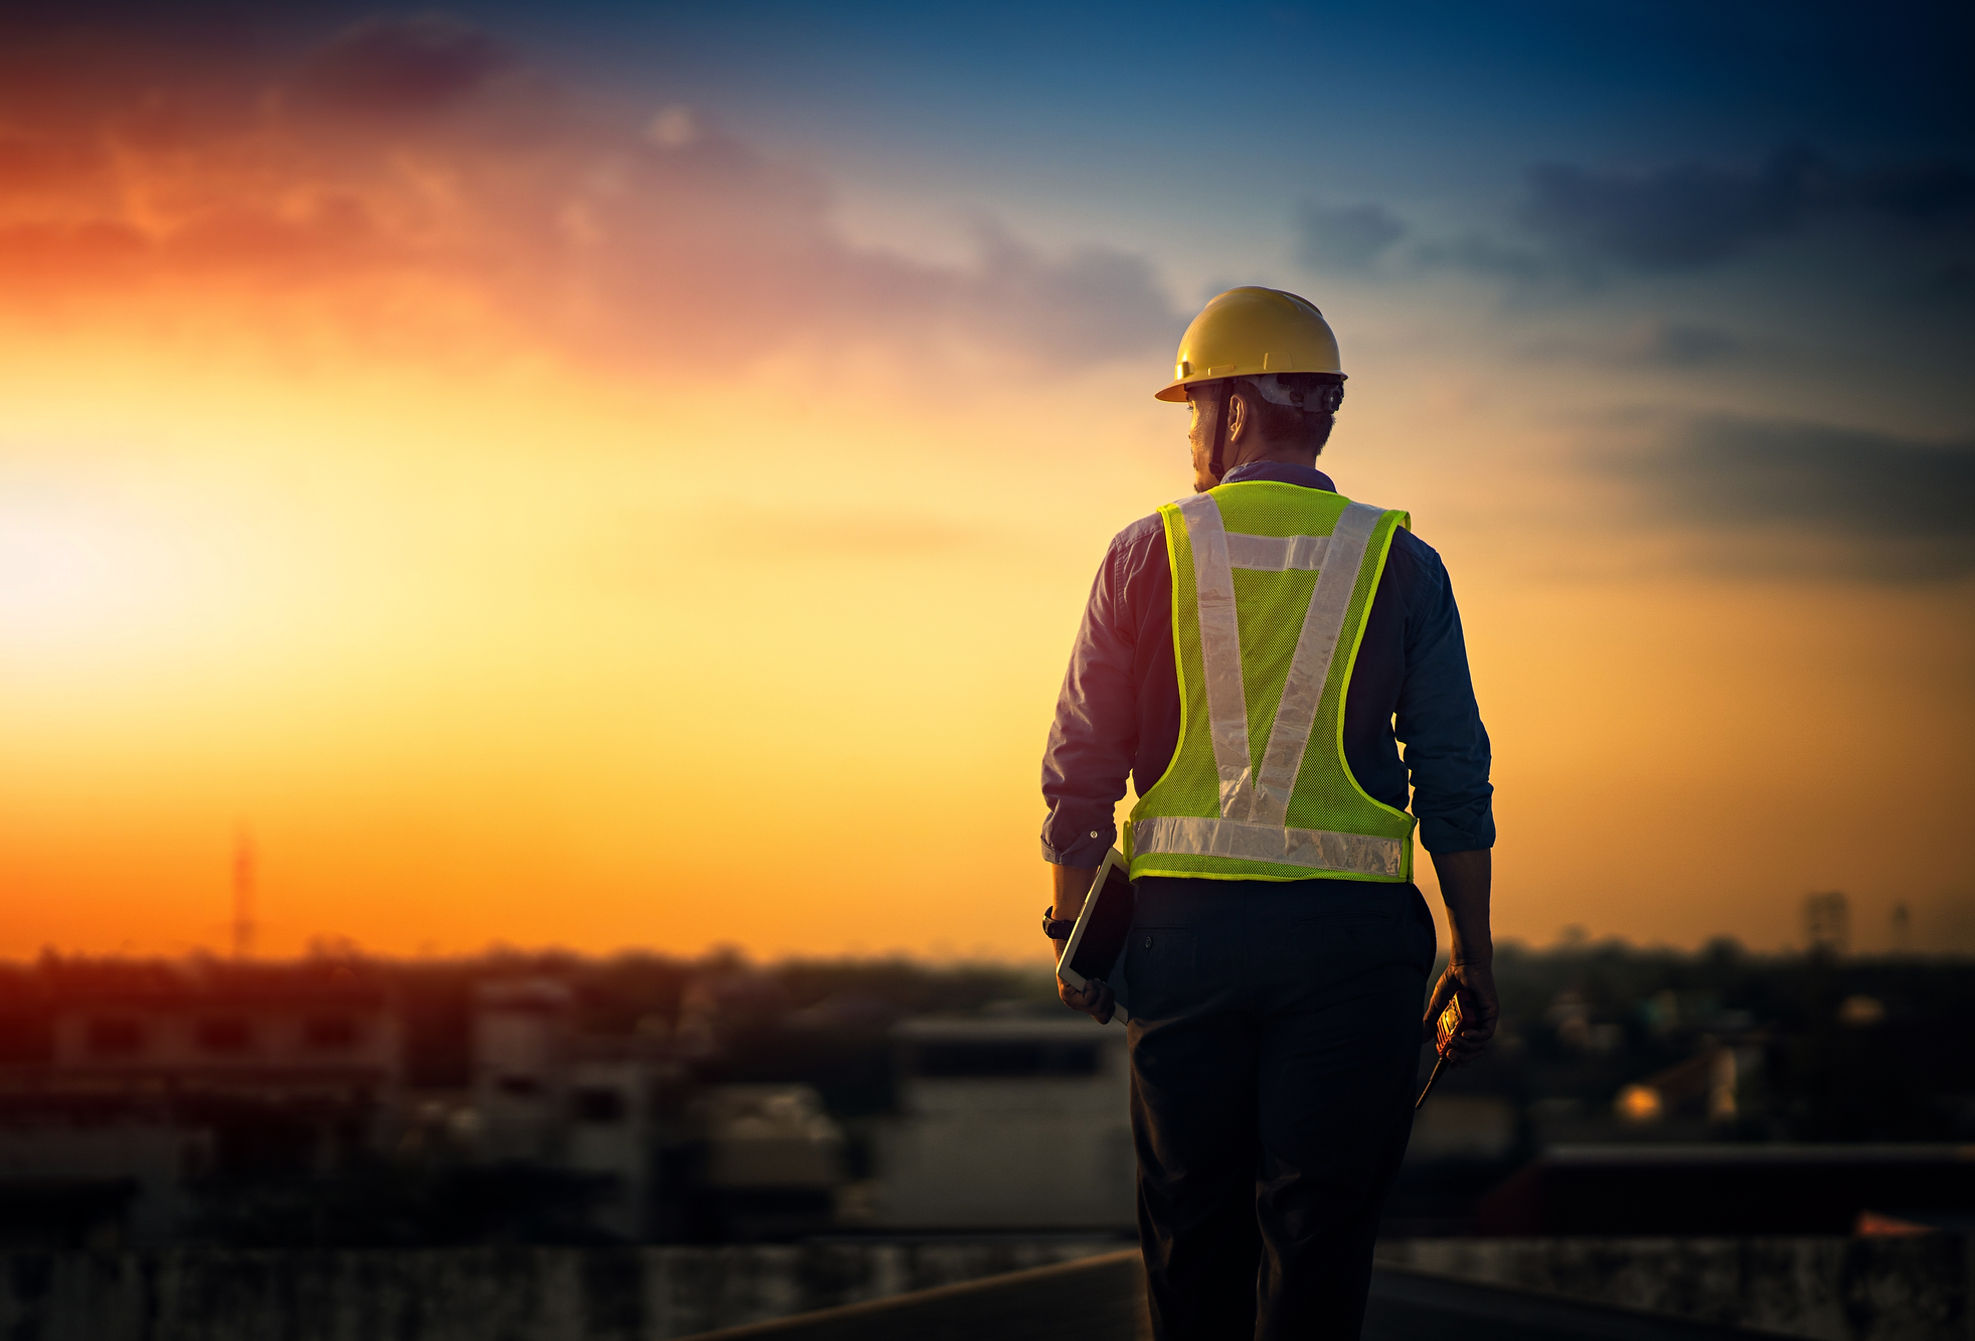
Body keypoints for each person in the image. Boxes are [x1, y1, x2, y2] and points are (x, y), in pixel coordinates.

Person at [1039, 287, 1499, 1339]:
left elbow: (1079, 762)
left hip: (1181, 939)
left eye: (1193, 407)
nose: (1190, 435)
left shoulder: (1139, 552)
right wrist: (1471, 959)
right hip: (1351, 951)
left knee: (1192, 1230)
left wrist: (1076, 931)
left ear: (1237, 409)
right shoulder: (1401, 561)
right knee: (1321, 1239)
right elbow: (1454, 781)